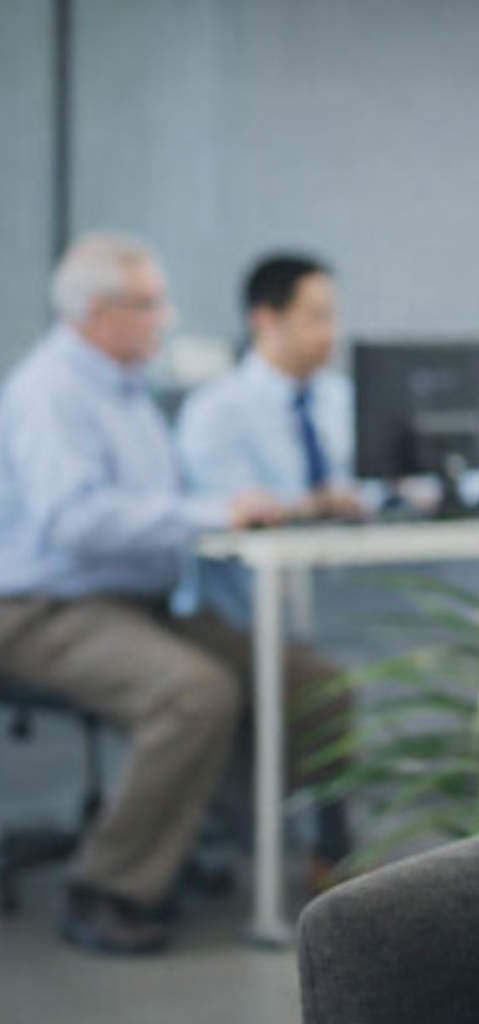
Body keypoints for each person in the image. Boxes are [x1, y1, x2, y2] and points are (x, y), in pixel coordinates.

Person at [0, 234, 345, 955]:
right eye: (150, 303)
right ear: (99, 310)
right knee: (193, 692)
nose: (166, 317)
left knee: (311, 681)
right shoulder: (50, 392)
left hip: (138, 604)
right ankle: (107, 887)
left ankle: (231, 837)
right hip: (42, 610)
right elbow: (73, 521)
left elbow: (168, 500)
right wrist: (208, 513)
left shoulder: (127, 390)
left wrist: (261, 503)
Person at [177, 253, 362, 622]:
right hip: (249, 611)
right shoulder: (215, 409)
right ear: (265, 320)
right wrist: (311, 505)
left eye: (333, 316)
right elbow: (240, 511)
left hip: (346, 599)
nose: (331, 333)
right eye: (316, 317)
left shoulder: (345, 398)